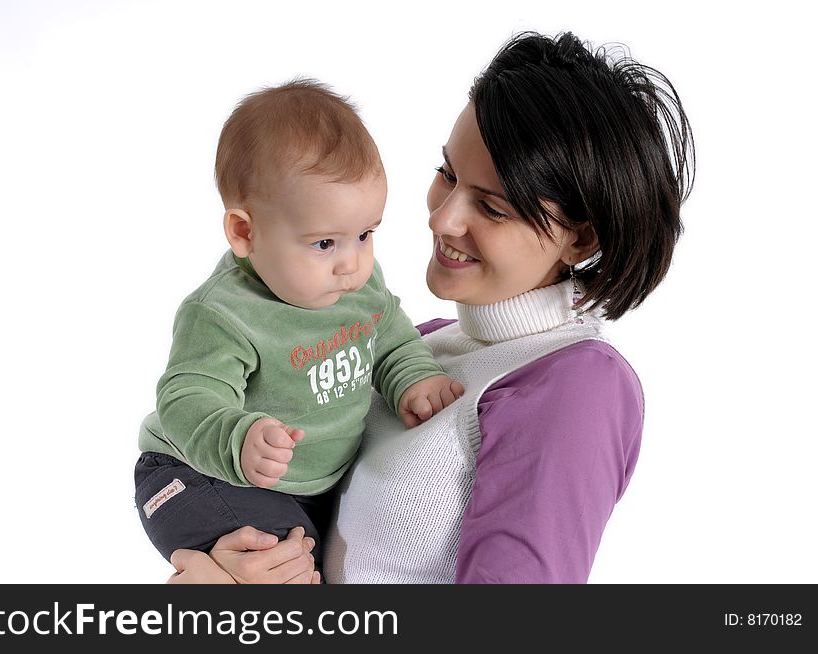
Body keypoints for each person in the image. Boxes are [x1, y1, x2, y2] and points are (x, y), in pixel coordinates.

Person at [165, 29, 695, 584]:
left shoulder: (578, 383)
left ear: (580, 240)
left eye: (491, 207)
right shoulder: (416, 344)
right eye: (447, 174)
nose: (440, 219)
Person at [134, 79, 464, 579]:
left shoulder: (357, 283)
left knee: (314, 560)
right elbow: (186, 397)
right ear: (246, 232)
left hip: (307, 489)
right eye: (324, 243)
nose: (351, 263)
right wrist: (238, 437)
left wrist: (414, 378)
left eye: (365, 234)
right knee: (292, 565)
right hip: (198, 478)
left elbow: (390, 334)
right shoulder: (224, 313)